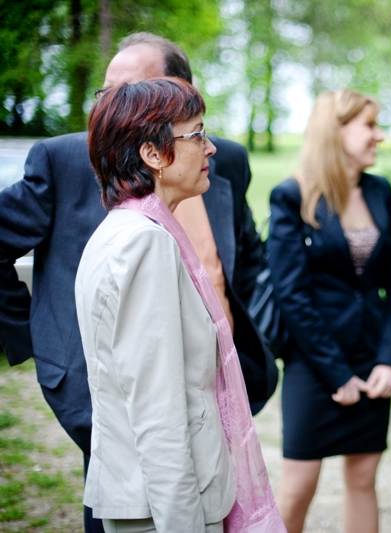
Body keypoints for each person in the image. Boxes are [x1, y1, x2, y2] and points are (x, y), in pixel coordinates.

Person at [0, 33, 274, 533]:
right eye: (107, 94)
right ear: (151, 150)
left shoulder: (177, 192)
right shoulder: (138, 236)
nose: (112, 108)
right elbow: (158, 414)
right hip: (147, 468)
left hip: (197, 429)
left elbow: (248, 260)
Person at [75, 77, 283, 533]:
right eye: (197, 134)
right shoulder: (143, 244)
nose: (210, 148)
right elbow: (159, 414)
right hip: (164, 510)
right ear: (153, 154)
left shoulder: (124, 231)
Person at [267, 89, 391, 533]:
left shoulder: (381, 191)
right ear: (337, 130)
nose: (379, 136)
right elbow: (293, 296)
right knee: (297, 488)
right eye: (369, 125)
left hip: (371, 356)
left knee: (364, 478)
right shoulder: (291, 196)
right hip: (314, 363)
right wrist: (336, 375)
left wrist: (390, 358)